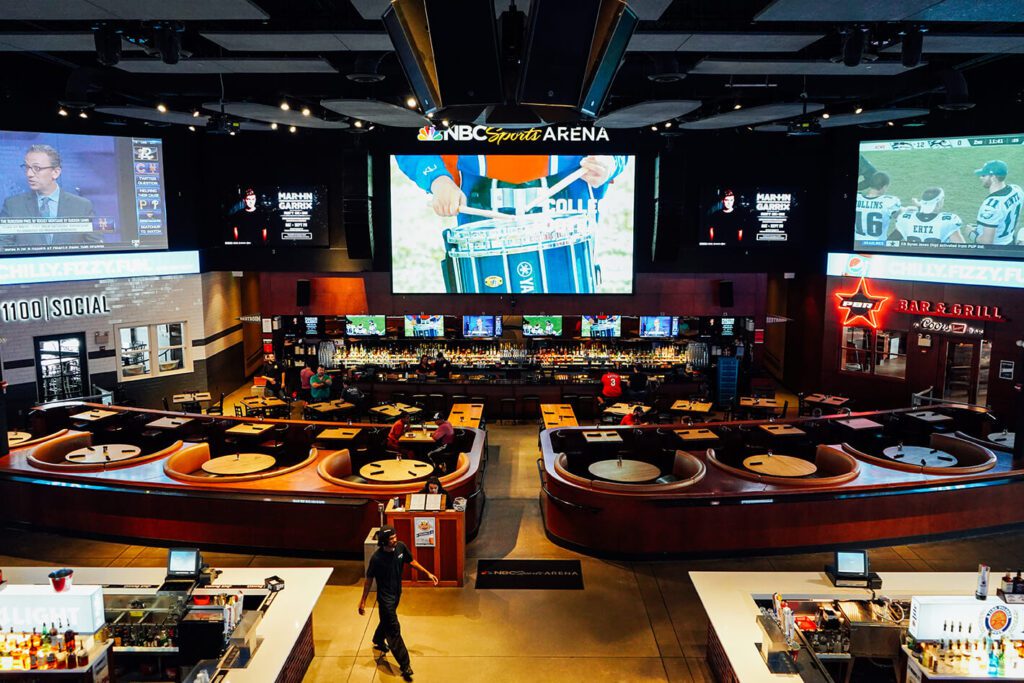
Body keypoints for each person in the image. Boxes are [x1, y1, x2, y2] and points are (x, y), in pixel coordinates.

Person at [358, 526, 438, 682]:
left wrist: (427, 573)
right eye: (391, 538)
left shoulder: (400, 547)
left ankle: (378, 639)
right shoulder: (376, 559)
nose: (395, 539)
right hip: (385, 598)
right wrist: (363, 600)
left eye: (395, 536)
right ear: (383, 542)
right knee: (394, 629)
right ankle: (405, 665)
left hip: (396, 594)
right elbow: (369, 581)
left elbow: (411, 561)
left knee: (387, 621)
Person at [0, 144, 98, 248]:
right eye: (27, 167)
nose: (29, 174)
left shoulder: (82, 206)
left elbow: (96, 247)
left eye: (36, 168)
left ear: (55, 172)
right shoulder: (12, 205)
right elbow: (3, 246)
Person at [971, 160, 1024, 245]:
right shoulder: (1017, 190)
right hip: (1010, 241)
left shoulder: (991, 206)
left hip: (995, 251)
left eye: (984, 175)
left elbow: (987, 242)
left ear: (993, 178)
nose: (981, 177)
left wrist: (971, 234)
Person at [891, 187, 965, 245]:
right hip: (937, 263)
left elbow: (890, 242)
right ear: (939, 203)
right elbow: (962, 249)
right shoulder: (949, 221)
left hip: (911, 262)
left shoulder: (906, 218)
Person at [854, 172, 902, 244]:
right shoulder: (889, 202)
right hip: (878, 246)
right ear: (884, 187)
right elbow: (898, 217)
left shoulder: (858, 198)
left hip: (857, 245)